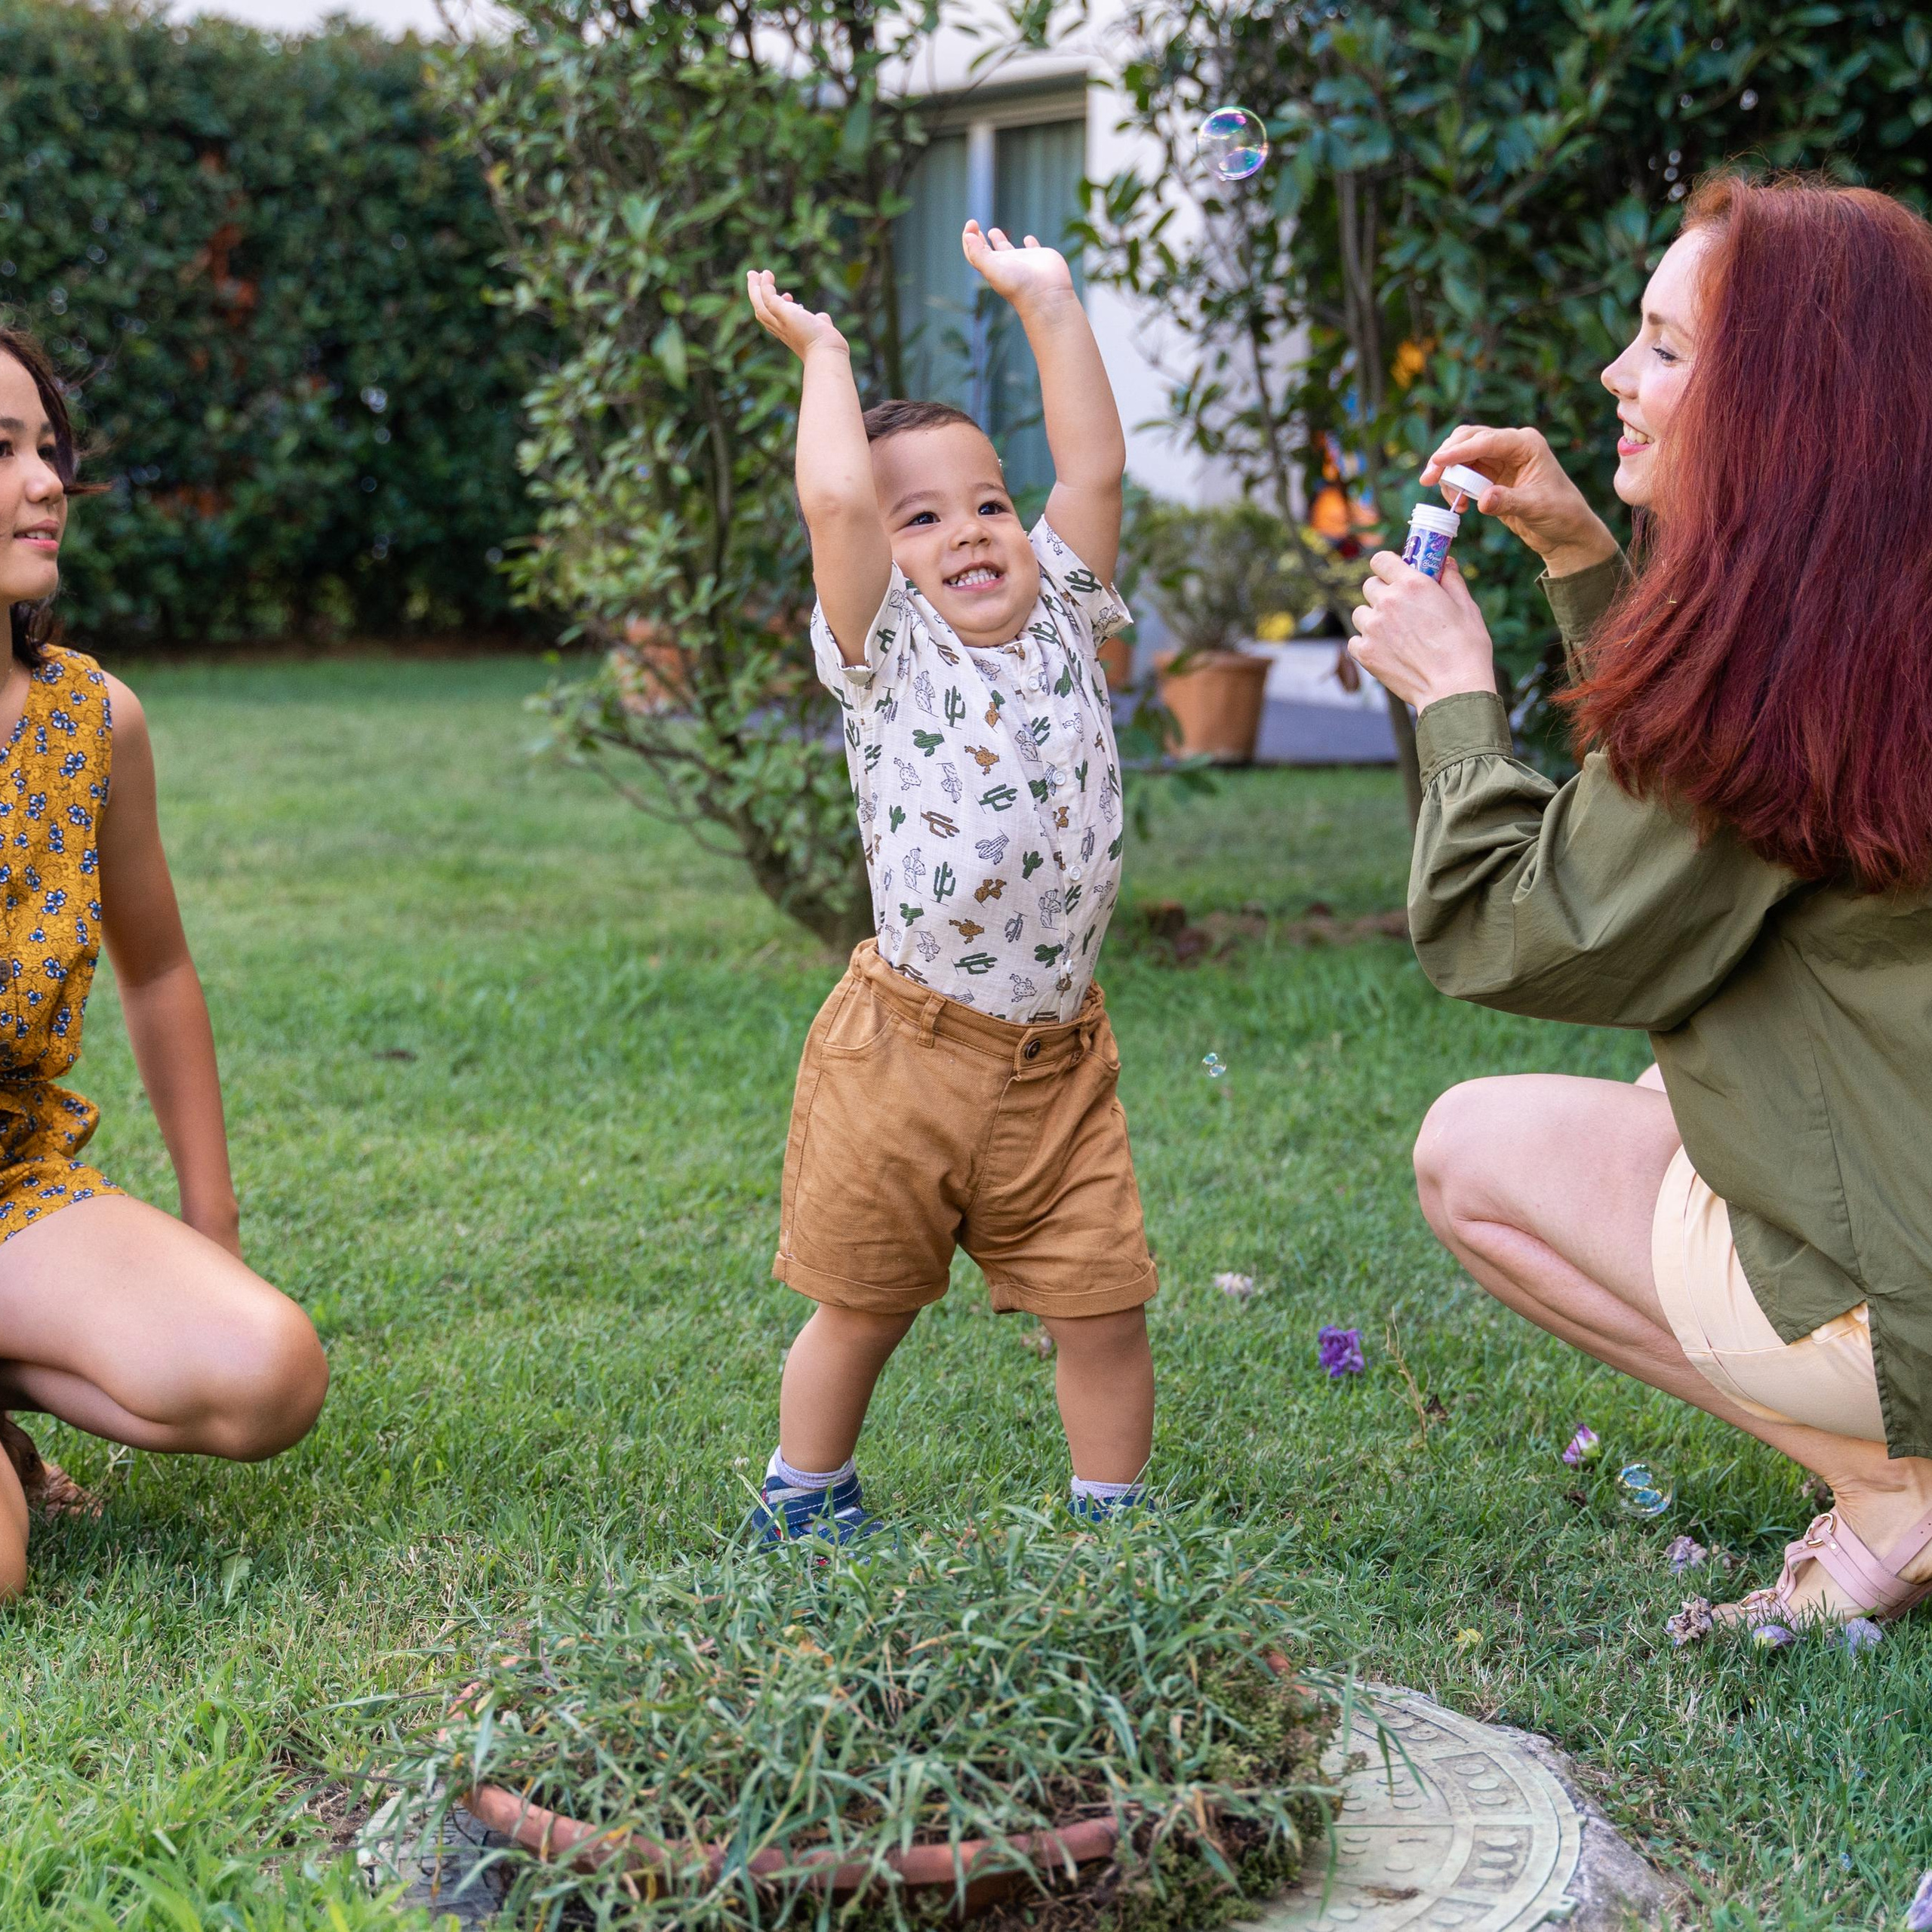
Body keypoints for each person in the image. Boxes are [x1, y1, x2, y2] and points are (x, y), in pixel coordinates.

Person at [1347, 174, 1932, 1632]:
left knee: (1471, 1154)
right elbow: (1722, 818)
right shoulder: (1873, 606)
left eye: (1665, 348)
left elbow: (1518, 924)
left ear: (1786, 403)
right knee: (1665, 1083)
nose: (1617, 375)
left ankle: (1898, 1485)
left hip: (1913, 1295)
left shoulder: (1781, 667)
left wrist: (1454, 701)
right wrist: (1581, 559)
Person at [740, 222, 1156, 1542]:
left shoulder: (1066, 613)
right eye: (922, 518)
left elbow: (1092, 460)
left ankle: (1114, 1525)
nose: (970, 531)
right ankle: (805, 1499)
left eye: (986, 502)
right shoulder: (886, 650)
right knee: (863, 1300)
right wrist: (826, 357)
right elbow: (835, 504)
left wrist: (1050, 299)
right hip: (905, 1056)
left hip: (1056, 1057)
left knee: (1102, 1300)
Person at [0, 328, 328, 1598]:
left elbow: (156, 973)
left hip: (9, 1190)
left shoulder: (94, 722)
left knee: (268, 1371)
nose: (45, 485)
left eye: (47, 449)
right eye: (2, 451)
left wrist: (214, 1219)